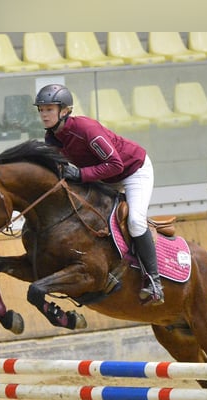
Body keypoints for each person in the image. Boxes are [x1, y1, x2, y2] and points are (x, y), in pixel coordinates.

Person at [34, 83, 163, 304]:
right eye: (41, 110)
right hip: (103, 177)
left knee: (135, 222)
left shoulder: (86, 129)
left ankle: (154, 281)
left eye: (49, 109)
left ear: (64, 110)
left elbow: (116, 164)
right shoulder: (51, 138)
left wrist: (81, 174)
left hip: (133, 171)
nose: (44, 115)